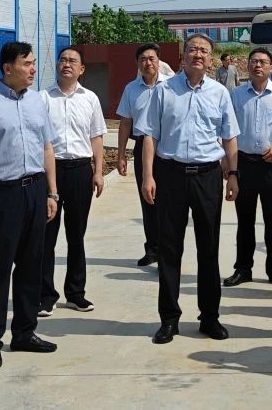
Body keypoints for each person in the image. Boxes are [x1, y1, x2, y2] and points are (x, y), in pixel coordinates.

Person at [0, 41, 59, 369]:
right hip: (3, 195)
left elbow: (47, 147)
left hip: (35, 190)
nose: (33, 69)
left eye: (33, 63)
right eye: (27, 63)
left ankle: (24, 332)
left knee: (32, 265)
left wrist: (52, 193)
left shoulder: (36, 101)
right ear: (7, 68)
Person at [139, 33, 239, 344]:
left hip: (207, 176)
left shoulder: (220, 93)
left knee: (208, 248)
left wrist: (233, 174)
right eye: (192, 49)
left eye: (204, 51)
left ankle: (209, 317)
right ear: (182, 56)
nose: (198, 55)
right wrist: (147, 176)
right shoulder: (164, 91)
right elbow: (150, 136)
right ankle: (169, 319)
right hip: (171, 175)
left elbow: (229, 136)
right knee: (170, 249)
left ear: (211, 59)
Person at [39, 46, 106, 316]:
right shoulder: (43, 98)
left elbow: (96, 137)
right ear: (57, 65)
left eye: (72, 61)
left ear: (82, 69)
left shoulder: (90, 99)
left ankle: (76, 293)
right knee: (47, 236)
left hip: (80, 171)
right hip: (50, 171)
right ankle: (45, 295)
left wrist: (98, 171)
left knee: (76, 235)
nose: (66, 64)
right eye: (63, 60)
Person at [224, 47, 272, 289]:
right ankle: (243, 268)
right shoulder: (236, 95)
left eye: (263, 62)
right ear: (247, 65)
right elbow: (228, 131)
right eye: (254, 61)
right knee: (245, 220)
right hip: (244, 163)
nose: (258, 66)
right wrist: (228, 164)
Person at [115, 43, 166, 266]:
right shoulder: (131, 89)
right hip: (140, 146)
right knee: (148, 200)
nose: (148, 63)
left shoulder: (171, 86)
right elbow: (125, 122)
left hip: (166, 149)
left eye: (152, 58)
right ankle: (152, 249)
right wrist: (121, 155)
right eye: (143, 59)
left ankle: (167, 251)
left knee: (167, 202)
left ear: (159, 61)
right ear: (137, 63)